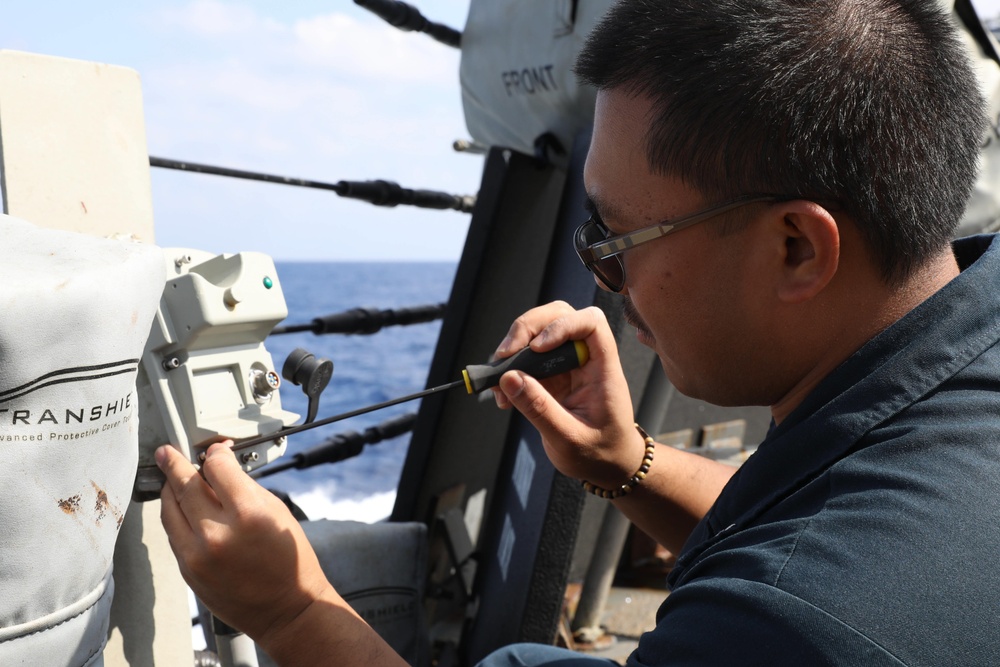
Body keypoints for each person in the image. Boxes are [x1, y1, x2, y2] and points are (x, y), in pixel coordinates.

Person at [155, 0, 1000, 664]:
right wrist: (624, 463)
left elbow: (807, 580)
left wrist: (291, 610)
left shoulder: (790, 625)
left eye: (615, 238)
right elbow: (817, 513)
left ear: (795, 249)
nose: (600, 278)